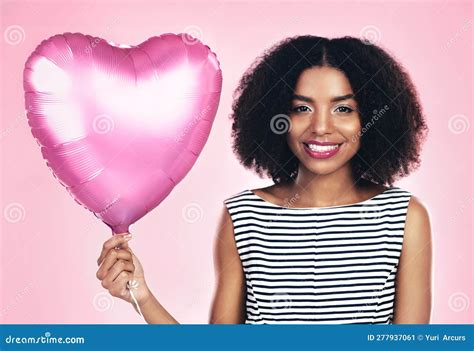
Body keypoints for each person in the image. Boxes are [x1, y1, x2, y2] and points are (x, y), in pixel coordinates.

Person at [96, 35, 432, 324]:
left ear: (370, 117)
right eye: (302, 108)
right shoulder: (244, 216)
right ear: (277, 116)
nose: (321, 127)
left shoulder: (403, 218)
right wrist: (140, 294)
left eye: (343, 109)